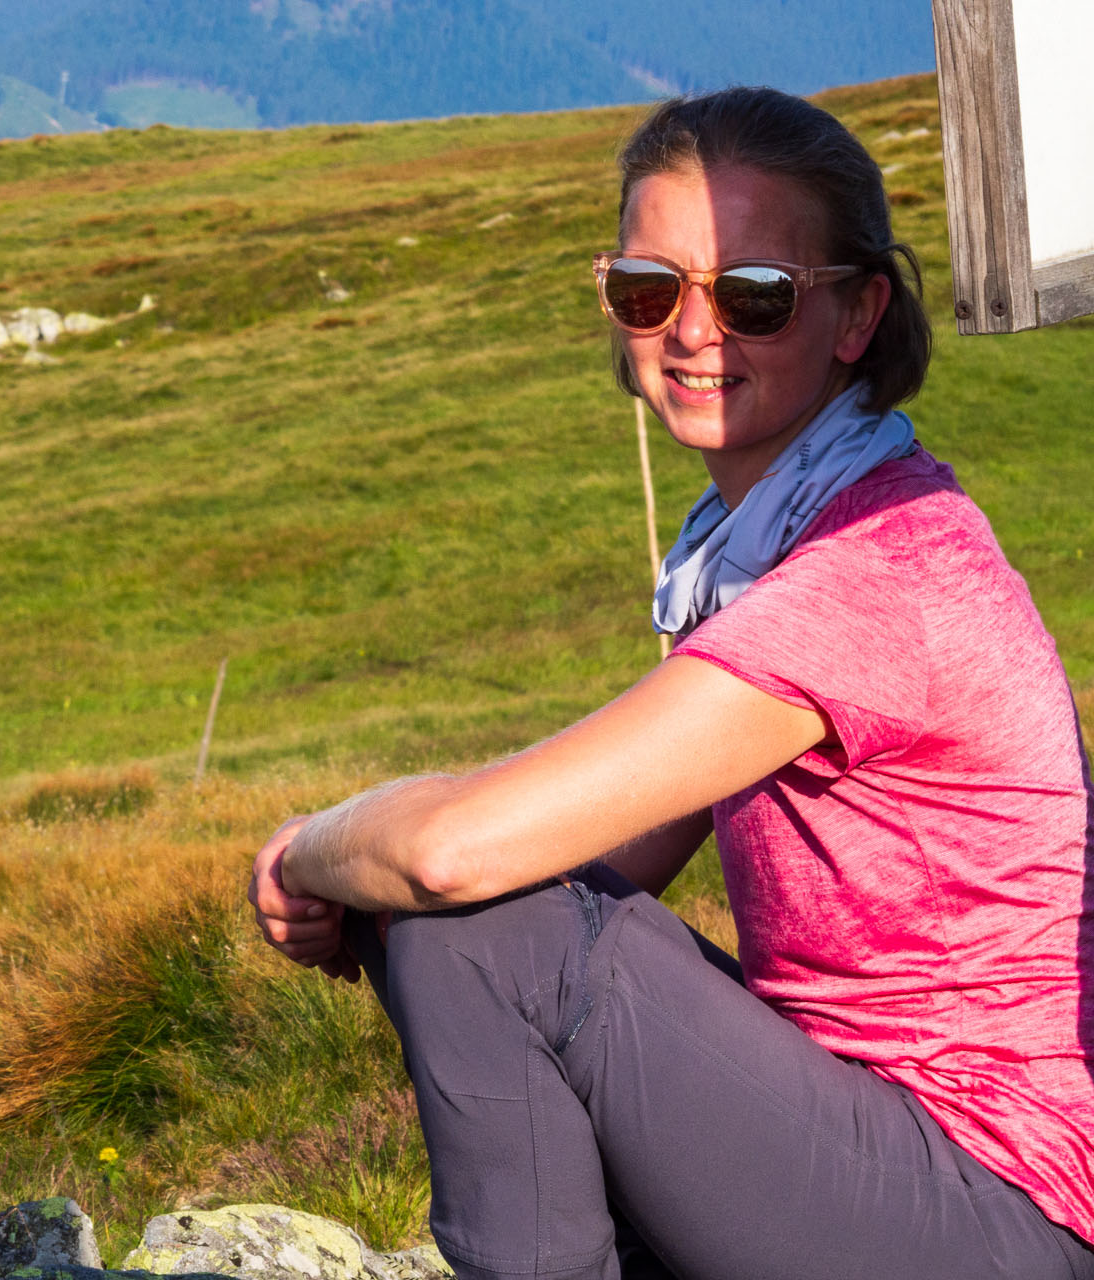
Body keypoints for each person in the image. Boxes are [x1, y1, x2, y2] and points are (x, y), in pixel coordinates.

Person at [248, 87, 1094, 1280]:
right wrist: (374, 893)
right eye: (652, 290)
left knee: (476, 928)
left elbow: (460, 856)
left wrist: (307, 856)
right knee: (468, 921)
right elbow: (595, 862)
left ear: (857, 315)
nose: (695, 334)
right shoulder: (766, 551)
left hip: (995, 1209)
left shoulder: (871, 575)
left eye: (755, 295)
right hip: (881, 1159)